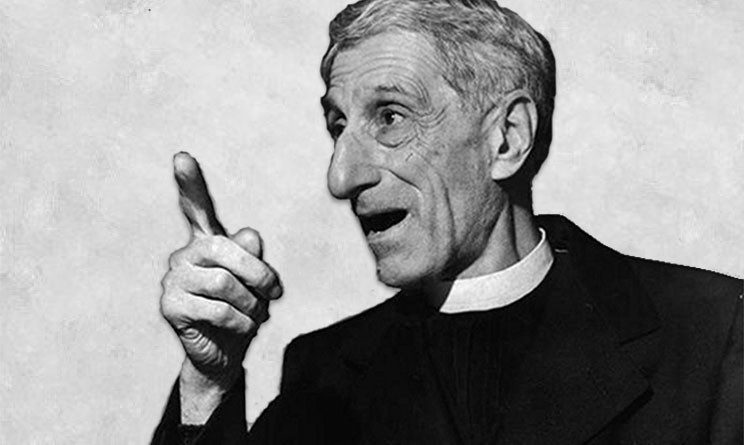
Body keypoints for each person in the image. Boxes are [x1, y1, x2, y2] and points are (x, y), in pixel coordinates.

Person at [152, 0, 743, 443]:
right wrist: (209, 381)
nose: (341, 177)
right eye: (338, 127)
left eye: (390, 116)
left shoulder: (715, 334)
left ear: (506, 139)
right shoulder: (323, 372)